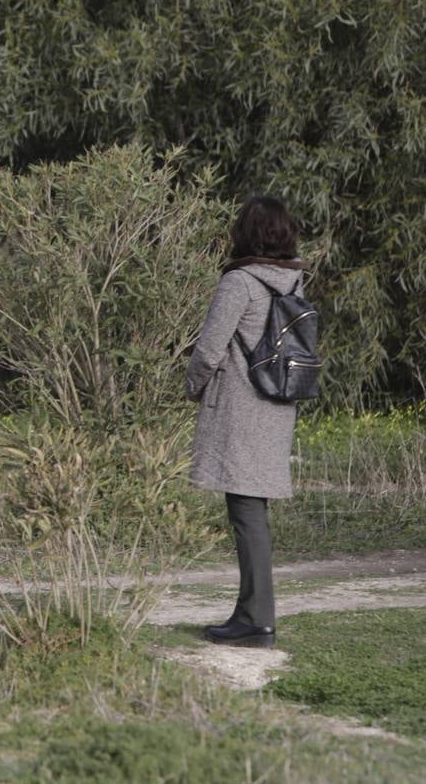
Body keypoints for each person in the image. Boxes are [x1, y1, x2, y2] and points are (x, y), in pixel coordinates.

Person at [186, 196, 308, 648]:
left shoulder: (240, 281)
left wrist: (192, 387)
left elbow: (209, 349)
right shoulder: (292, 282)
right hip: (277, 408)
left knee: (246, 514)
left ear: (246, 234)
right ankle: (250, 610)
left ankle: (257, 619)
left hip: (241, 409)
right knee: (252, 512)